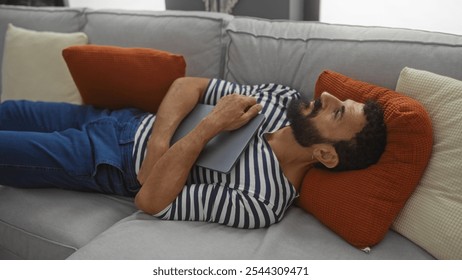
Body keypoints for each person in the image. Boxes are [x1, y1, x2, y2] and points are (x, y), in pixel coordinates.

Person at [0, 77, 387, 229]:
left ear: (326, 155)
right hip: (122, 119)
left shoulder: (261, 201)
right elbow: (187, 86)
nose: (325, 96)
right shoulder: (281, 98)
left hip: (105, 160)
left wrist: (211, 125)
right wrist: (158, 142)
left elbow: (150, 199)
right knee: (8, 109)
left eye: (337, 111)